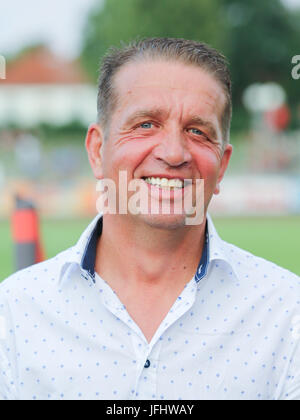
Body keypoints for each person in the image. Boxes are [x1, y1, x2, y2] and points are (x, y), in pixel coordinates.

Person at [0, 38, 299, 401]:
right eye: (145, 125)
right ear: (97, 150)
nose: (174, 153)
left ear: (221, 166)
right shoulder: (14, 313)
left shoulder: (288, 314)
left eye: (198, 131)